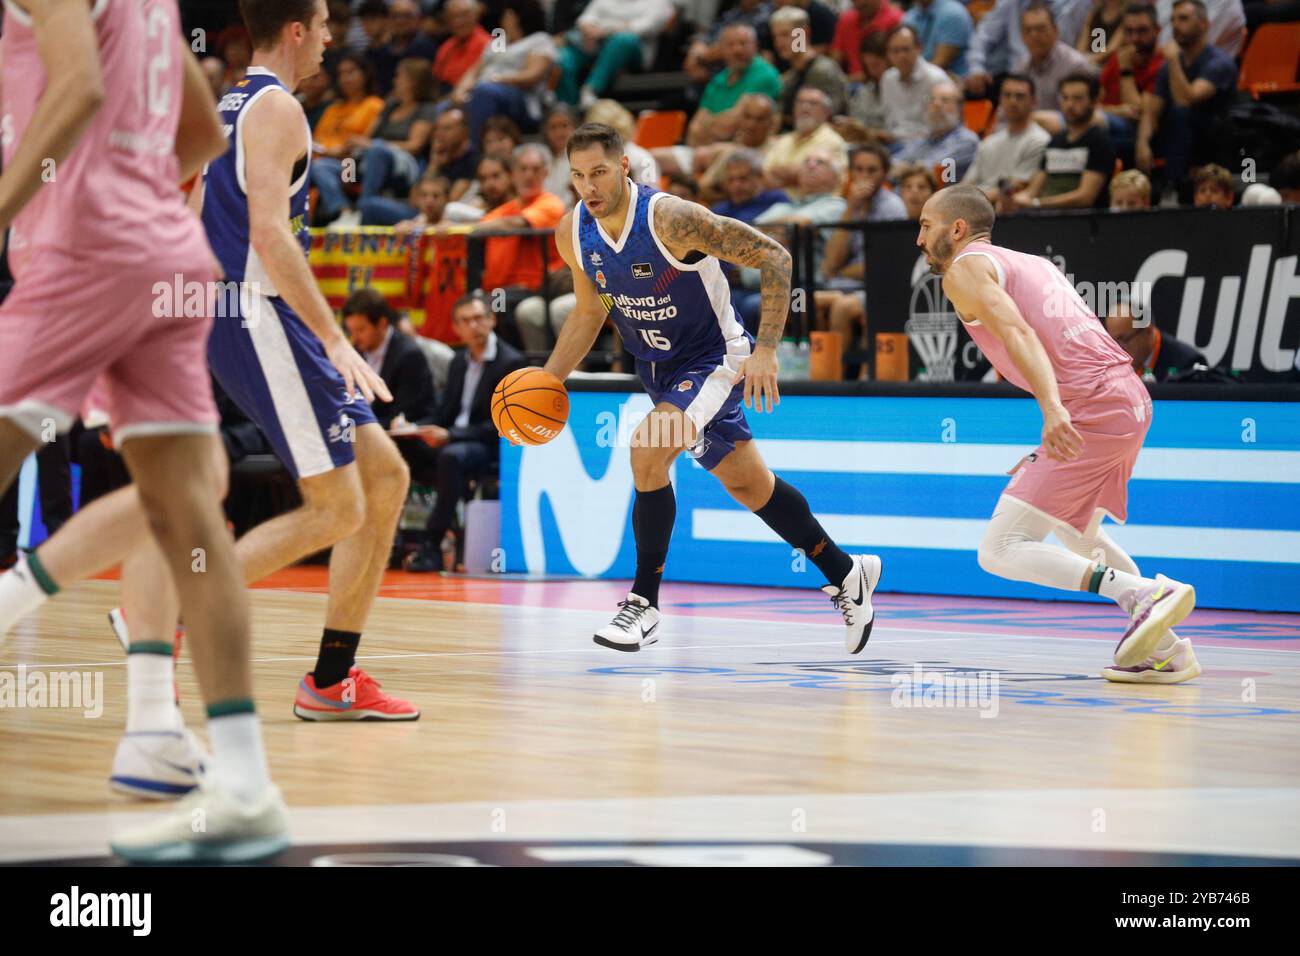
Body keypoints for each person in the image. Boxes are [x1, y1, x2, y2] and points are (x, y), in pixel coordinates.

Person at [0, 0, 286, 861]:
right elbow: (200, 127)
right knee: (191, 516)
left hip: (86, 252)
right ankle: (243, 787)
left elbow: (79, 89)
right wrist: (136, 200)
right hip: (167, 256)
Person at [544, 122, 884, 653]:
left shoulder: (671, 219)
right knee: (751, 485)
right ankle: (846, 573)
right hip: (659, 372)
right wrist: (548, 382)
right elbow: (590, 314)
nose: (590, 187)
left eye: (600, 173)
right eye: (578, 176)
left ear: (625, 167)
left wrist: (767, 349)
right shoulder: (573, 232)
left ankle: (643, 605)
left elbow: (776, 256)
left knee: (648, 450)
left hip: (715, 357)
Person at [918, 184, 1199, 682]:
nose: (919, 239)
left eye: (925, 225)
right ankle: (1167, 650)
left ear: (957, 229)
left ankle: (1142, 594)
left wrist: (1053, 408)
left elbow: (1020, 334)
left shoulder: (964, 269)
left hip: (1091, 406)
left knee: (1000, 549)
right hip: (1129, 397)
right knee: (1078, 532)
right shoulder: (1034, 264)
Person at [402, 293, 526, 572]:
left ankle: (432, 545)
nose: (473, 325)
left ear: (492, 320)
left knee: (451, 457)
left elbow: (501, 423)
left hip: (491, 444)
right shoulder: (458, 361)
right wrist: (414, 427)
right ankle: (397, 541)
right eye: (465, 321)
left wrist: (451, 436)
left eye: (479, 318)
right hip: (455, 440)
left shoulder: (510, 362)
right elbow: (445, 413)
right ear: (456, 328)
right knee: (403, 449)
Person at [1136, 0, 1238, 186]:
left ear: (1204, 24)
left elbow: (1186, 100)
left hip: (1213, 138)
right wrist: (1142, 143)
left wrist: (1174, 60)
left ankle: (1173, 186)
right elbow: (1152, 110)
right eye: (1173, 20)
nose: (1175, 25)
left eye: (1183, 19)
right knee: (1122, 142)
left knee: (1179, 113)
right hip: (1177, 136)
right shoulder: (1168, 66)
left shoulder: (1219, 62)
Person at [453, 0, 558, 145]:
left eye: (506, 15)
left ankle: (474, 151)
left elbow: (532, 75)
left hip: (520, 97)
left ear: (517, 16)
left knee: (485, 92)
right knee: (444, 107)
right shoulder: (499, 41)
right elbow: (474, 71)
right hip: (482, 88)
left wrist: (498, 79)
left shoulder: (539, 40)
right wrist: (460, 91)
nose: (502, 19)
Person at [1010, 72, 1114, 210]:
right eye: (1065, 98)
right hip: (1045, 218)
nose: (1070, 104)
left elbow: (1085, 197)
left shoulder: (1100, 142)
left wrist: (1038, 204)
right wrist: (1013, 200)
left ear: (1094, 102)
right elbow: (1033, 190)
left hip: (1081, 222)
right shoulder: (1054, 141)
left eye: (1078, 99)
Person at [343, 288, 439, 430]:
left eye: (360, 330)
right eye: (351, 331)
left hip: (400, 434)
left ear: (382, 323)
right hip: (363, 430)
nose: (355, 337)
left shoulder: (409, 355)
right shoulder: (356, 351)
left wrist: (360, 429)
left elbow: (404, 414)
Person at [558, 0, 676, 108]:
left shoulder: (659, 2)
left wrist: (605, 31)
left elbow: (645, 27)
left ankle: (591, 89)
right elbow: (585, 20)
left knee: (623, 39)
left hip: (635, 53)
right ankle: (567, 107)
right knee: (565, 56)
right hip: (596, 45)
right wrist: (590, 31)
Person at [686, 24, 783, 147]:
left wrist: (709, 122)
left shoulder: (764, 75)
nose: (737, 50)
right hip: (706, 148)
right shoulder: (718, 79)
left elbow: (728, 127)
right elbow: (694, 129)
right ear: (722, 50)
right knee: (658, 156)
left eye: (743, 43)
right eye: (730, 45)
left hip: (744, 149)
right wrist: (717, 125)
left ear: (755, 45)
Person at [963, 73, 1051, 206]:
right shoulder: (988, 142)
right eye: (1007, 95)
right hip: (976, 207)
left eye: (1019, 96)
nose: (1012, 101)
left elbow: (1016, 186)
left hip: (1007, 214)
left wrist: (965, 200)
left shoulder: (1040, 140)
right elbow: (967, 184)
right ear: (1000, 99)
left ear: (1033, 101)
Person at [772, 5, 850, 125]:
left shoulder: (823, 70)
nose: (779, 42)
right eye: (775, 36)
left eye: (785, 34)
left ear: (805, 33)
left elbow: (828, 119)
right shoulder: (788, 79)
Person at [1013, 1, 1098, 111]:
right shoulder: (1021, 66)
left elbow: (1084, 115)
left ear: (1055, 31)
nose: (1034, 35)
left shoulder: (1076, 66)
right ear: (1022, 36)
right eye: (1028, 30)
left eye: (1040, 29)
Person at [892, 80, 980, 180]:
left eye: (945, 100)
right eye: (932, 100)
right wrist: (898, 166)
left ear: (959, 109)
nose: (936, 105)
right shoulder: (925, 138)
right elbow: (893, 161)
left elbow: (931, 169)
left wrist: (905, 168)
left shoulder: (967, 141)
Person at [879, 24, 950, 146]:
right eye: (895, 51)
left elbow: (943, 128)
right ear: (888, 54)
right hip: (893, 143)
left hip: (929, 145)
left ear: (918, 49)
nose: (901, 56)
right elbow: (890, 121)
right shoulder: (887, 78)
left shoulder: (936, 79)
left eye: (906, 49)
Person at [1105, 302, 1207, 381]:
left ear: (1148, 331)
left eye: (1124, 340)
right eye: (1113, 341)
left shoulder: (1187, 365)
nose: (1117, 349)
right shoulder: (1107, 362)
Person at [831, 0, 905, 80]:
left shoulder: (898, 19)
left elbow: (901, 63)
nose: (860, 3)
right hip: (851, 83)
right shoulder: (846, 20)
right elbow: (835, 58)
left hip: (885, 80)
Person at [903, 0, 974, 75]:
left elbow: (939, 64)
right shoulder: (910, 16)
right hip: (917, 77)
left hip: (952, 79)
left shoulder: (953, 13)